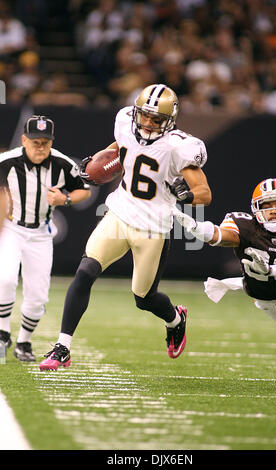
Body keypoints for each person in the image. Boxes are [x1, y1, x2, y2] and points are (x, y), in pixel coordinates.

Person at [39, 83, 212, 370]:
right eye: (144, 116)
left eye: (156, 119)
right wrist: (98, 162)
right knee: (85, 272)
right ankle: (62, 347)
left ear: (169, 121)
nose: (147, 123)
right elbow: (120, 148)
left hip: (153, 228)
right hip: (119, 214)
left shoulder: (179, 146)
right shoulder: (124, 121)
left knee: (144, 298)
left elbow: (204, 191)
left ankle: (175, 319)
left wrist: (186, 195)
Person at [0, 115, 91, 361]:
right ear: (23, 140)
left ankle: (24, 342)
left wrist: (66, 199)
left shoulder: (61, 163)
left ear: (52, 141)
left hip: (41, 231)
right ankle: (3, 332)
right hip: (11, 228)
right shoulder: (6, 162)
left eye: (45, 142)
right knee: (5, 279)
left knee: (38, 295)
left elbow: (84, 189)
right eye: (35, 141)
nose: (40, 147)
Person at [174, 178, 276, 328]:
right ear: (256, 209)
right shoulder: (245, 225)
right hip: (267, 302)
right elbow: (219, 236)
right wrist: (196, 227)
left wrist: (270, 270)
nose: (272, 210)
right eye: (266, 205)